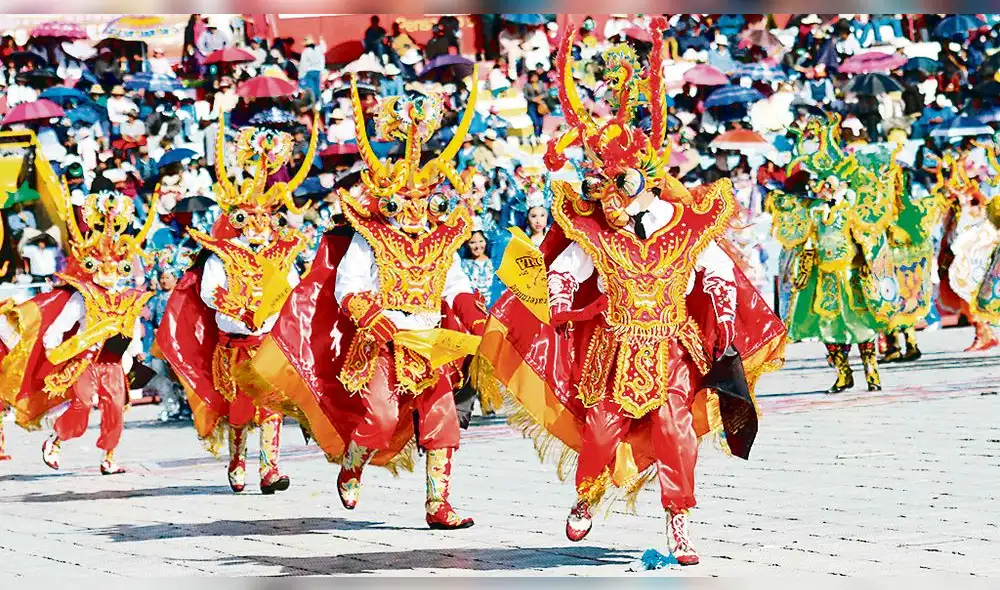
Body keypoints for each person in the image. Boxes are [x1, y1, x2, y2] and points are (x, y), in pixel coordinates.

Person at [478, 20, 786, 566]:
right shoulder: (595, 230)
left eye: (619, 184)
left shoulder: (683, 225)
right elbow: (564, 272)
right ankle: (587, 494)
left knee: (674, 430)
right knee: (600, 428)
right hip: (613, 346)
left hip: (671, 345)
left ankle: (679, 520)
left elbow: (717, 271)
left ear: (644, 178)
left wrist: (722, 315)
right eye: (602, 187)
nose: (610, 199)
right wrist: (558, 303)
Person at [236, 76, 487, 530]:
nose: (414, 209)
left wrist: (473, 316)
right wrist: (373, 317)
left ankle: (438, 504)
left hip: (430, 343)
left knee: (442, 419)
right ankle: (353, 463)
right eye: (405, 200)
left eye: (422, 199)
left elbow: (455, 284)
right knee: (381, 418)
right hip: (382, 343)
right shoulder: (371, 237)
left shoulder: (442, 239)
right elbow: (347, 286)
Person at [158, 114, 318, 495]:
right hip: (234, 344)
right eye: (252, 217)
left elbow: (292, 291)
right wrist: (241, 308)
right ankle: (237, 459)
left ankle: (270, 469)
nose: (260, 224)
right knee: (240, 408)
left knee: (272, 404)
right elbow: (209, 292)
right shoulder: (223, 254)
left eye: (267, 216)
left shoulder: (282, 253)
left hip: (269, 343)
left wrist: (278, 313)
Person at [0, 190, 155, 475]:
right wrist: (53, 352)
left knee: (115, 409)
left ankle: (109, 458)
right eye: (103, 264)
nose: (109, 270)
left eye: (115, 265)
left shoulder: (128, 297)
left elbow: (130, 328)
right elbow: (59, 327)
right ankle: (57, 439)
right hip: (86, 360)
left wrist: (135, 352)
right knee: (82, 404)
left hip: (114, 362)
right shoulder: (83, 295)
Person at [460, 230, 494, 298]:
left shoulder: (495, 263)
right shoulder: (462, 265)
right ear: (466, 244)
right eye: (472, 242)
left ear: (486, 241)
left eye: (481, 241)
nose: (478, 246)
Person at [298, 35, 327, 102]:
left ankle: (314, 99)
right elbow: (324, 49)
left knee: (311, 86)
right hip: (317, 70)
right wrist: (322, 40)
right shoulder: (318, 49)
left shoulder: (306, 51)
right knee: (316, 86)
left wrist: (301, 76)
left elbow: (303, 64)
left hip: (311, 71)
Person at [523, 71, 548, 137]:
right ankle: (536, 135)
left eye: (536, 76)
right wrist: (533, 99)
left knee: (541, 121)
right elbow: (526, 96)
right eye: (533, 77)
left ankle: (540, 135)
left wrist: (541, 97)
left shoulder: (540, 83)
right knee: (535, 121)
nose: (535, 78)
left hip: (540, 105)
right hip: (532, 105)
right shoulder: (527, 85)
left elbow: (546, 93)